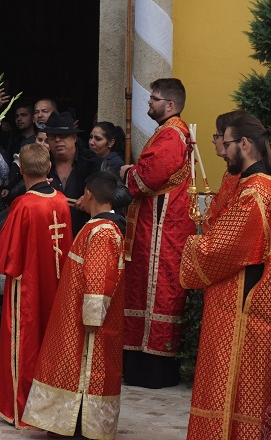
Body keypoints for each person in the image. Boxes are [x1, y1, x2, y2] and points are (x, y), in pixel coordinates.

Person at [180, 113, 271, 440]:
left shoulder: (256, 193)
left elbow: (217, 250)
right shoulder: (249, 185)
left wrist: (192, 244)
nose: (222, 151)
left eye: (226, 144)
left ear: (245, 144)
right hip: (234, 303)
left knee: (232, 388)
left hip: (241, 310)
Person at [23, 171, 126, 439]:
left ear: (89, 194)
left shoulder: (103, 231)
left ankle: (76, 423)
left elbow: (99, 279)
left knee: (83, 369)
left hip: (86, 326)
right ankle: (67, 421)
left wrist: (91, 320)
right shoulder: (98, 226)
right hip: (73, 316)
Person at [119, 78, 196, 388]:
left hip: (162, 231)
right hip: (155, 227)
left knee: (157, 292)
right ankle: (139, 365)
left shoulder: (171, 136)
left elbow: (148, 178)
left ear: (170, 105)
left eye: (154, 98)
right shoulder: (168, 132)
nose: (148, 103)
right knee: (146, 291)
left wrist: (127, 172)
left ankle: (152, 370)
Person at [0, 143, 73, 428]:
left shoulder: (24, 204)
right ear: (49, 168)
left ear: (21, 169)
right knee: (49, 343)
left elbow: (4, 256)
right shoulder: (61, 201)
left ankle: (19, 408)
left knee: (24, 342)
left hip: (27, 287)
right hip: (56, 284)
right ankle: (48, 407)